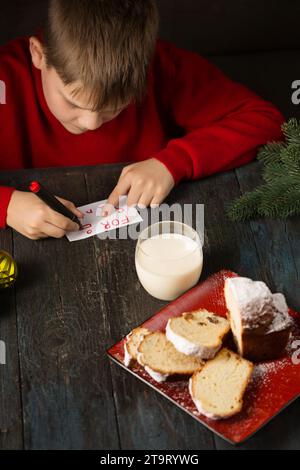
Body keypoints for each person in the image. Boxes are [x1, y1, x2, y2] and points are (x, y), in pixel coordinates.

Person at [0, 0, 284, 240]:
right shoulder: (5, 79)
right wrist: (6, 205)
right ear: (38, 54)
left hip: (148, 234)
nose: (92, 123)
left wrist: (175, 162)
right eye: (73, 102)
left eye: (115, 107)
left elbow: (265, 121)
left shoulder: (159, 67)